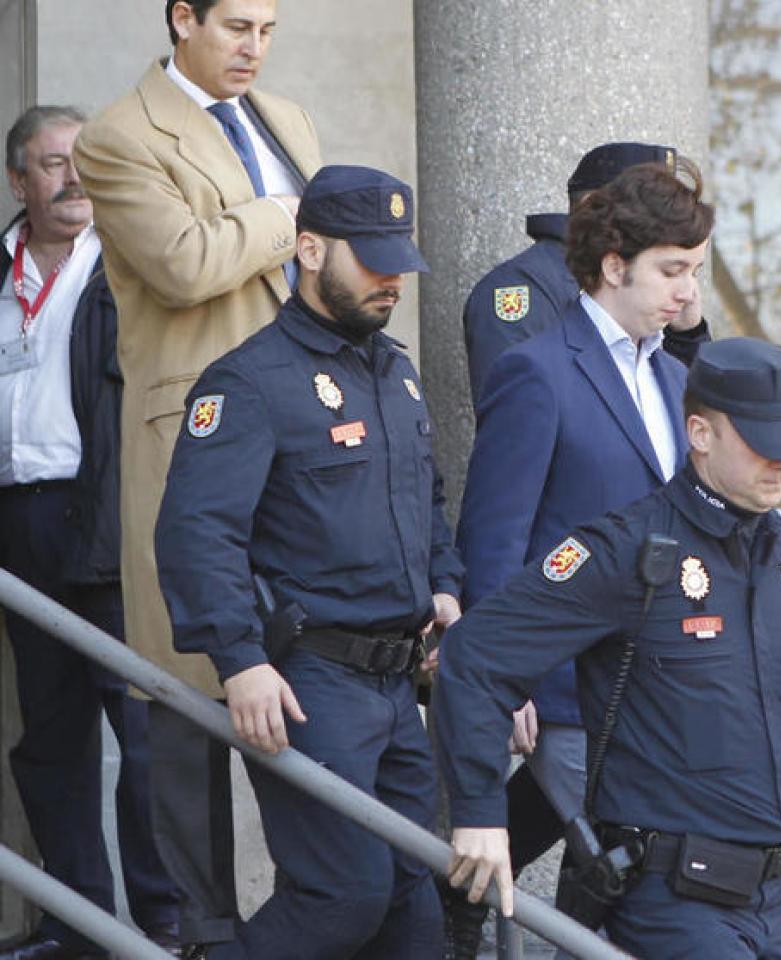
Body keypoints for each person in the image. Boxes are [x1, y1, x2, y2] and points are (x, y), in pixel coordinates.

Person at [437, 337, 781, 959]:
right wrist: (481, 817)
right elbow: (475, 656)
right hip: (674, 900)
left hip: (780, 895)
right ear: (700, 433)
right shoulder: (628, 549)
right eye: (763, 444)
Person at [154, 166, 460, 959]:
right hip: (310, 682)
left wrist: (447, 587)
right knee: (342, 894)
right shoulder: (249, 382)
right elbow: (196, 532)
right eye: (374, 259)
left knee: (412, 905)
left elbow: (426, 502)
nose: (393, 278)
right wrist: (240, 660)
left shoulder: (396, 373)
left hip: (398, 683)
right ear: (312, 250)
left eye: (401, 260)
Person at [73, 1, 321, 948]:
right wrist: (283, 214)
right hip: (196, 433)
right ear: (181, 18)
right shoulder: (118, 133)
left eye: (267, 29)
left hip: (306, 429)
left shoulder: (286, 116)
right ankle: (203, 930)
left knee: (305, 674)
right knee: (185, 692)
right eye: (235, 27)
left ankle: (315, 912)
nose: (254, 48)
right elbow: (184, 263)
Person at [447, 157, 712, 954]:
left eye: (694, 272)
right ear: (612, 265)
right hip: (563, 686)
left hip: (653, 686)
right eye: (671, 271)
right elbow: (495, 535)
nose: (687, 293)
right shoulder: (539, 370)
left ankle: (444, 918)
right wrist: (504, 678)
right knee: (627, 871)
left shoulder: (670, 376)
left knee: (607, 884)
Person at [0, 105, 180, 960]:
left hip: (111, 511)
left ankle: (169, 926)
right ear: (18, 181)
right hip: (17, 523)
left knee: (143, 736)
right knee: (51, 736)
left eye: (82, 162)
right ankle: (79, 930)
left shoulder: (131, 269)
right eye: (50, 164)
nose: (71, 178)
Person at [461, 141, 708, 400]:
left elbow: (695, 421)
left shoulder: (648, 290)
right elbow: (519, 416)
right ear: (594, 205)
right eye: (655, 210)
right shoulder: (526, 287)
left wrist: (686, 337)